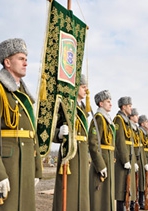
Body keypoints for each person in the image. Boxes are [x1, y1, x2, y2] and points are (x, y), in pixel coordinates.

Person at [0, 38, 42, 210]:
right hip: (7, 166)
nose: (26, 62)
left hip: (26, 165)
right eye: (21, 58)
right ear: (7, 62)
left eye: (26, 58)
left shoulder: (25, 96)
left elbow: (33, 134)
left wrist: (37, 168)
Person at [52, 74, 90, 211]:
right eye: (83, 87)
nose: (86, 90)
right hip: (70, 156)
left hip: (82, 156)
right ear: (75, 87)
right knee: (69, 196)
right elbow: (50, 131)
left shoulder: (84, 109)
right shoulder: (65, 105)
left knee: (82, 194)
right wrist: (59, 133)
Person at [88, 90, 115, 211]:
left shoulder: (107, 119)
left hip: (108, 158)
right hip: (102, 159)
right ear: (100, 103)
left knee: (107, 194)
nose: (111, 104)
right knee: (99, 196)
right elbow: (93, 143)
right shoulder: (99, 118)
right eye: (108, 101)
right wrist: (100, 165)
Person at [113, 97, 137, 211]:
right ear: (123, 107)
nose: (131, 108)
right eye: (129, 106)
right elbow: (119, 141)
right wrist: (125, 159)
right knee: (121, 188)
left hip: (129, 157)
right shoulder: (119, 119)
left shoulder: (126, 120)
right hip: (123, 159)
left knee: (127, 187)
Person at [129, 108, 148, 210]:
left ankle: (140, 202)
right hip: (134, 158)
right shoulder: (130, 127)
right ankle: (133, 204)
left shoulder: (137, 129)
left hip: (139, 158)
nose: (137, 117)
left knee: (140, 182)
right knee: (134, 183)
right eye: (136, 115)